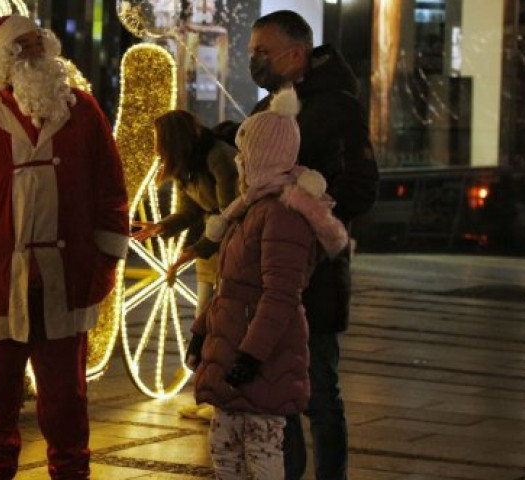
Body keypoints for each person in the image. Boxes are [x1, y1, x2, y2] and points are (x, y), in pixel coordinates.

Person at [0, 15, 129, 480]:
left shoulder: (84, 112)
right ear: (3, 59)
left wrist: (104, 264)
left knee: (67, 405)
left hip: (67, 280)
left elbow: (110, 193)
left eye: (40, 44)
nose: (35, 53)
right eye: (23, 46)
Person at [187, 87, 349, 480]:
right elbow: (230, 284)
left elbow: (280, 295)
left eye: (246, 153)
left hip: (260, 357)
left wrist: (251, 356)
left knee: (261, 453)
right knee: (227, 452)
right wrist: (201, 332)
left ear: (262, 155)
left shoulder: (282, 215)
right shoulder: (250, 208)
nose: (239, 162)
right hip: (232, 346)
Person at [246, 10, 379, 480]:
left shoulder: (336, 105)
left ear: (296, 53)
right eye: (252, 52)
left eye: (262, 52)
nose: (254, 61)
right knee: (279, 390)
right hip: (269, 271)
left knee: (319, 391)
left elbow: (362, 185)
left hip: (315, 274)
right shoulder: (269, 107)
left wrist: (311, 218)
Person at [133, 110, 239, 316]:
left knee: (226, 317)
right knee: (203, 315)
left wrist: (195, 250)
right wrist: (162, 226)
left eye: (158, 139)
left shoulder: (218, 157)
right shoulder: (185, 165)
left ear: (173, 139)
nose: (156, 148)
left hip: (235, 246)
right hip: (212, 245)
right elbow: (190, 211)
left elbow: (231, 215)